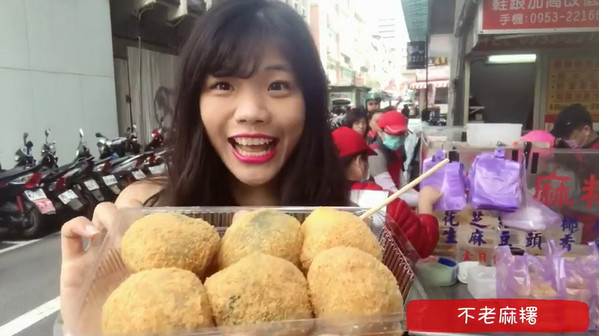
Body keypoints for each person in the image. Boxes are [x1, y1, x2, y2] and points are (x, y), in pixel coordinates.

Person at [58, 1, 350, 334]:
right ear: (195, 100)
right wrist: (85, 316)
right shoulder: (141, 212)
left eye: (277, 85)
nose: (251, 111)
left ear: (310, 102)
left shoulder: (340, 228)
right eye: (223, 85)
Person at [331, 127, 440, 257]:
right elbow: (423, 245)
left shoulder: (310, 197)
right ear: (359, 162)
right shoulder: (383, 201)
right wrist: (425, 203)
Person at [368, 111, 419, 205]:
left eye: (402, 134)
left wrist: (422, 197)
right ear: (380, 132)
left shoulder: (395, 152)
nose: (398, 138)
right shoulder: (375, 154)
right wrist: (424, 200)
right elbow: (390, 195)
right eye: (394, 134)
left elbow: (403, 186)